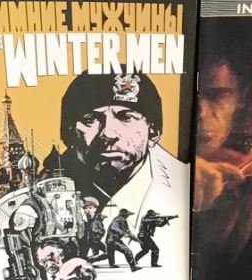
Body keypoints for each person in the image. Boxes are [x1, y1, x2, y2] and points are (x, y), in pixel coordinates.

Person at [60, 68, 188, 231]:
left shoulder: (186, 184)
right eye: (90, 119)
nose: (108, 133)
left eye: (126, 117)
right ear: (69, 135)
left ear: (153, 133)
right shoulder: (40, 190)